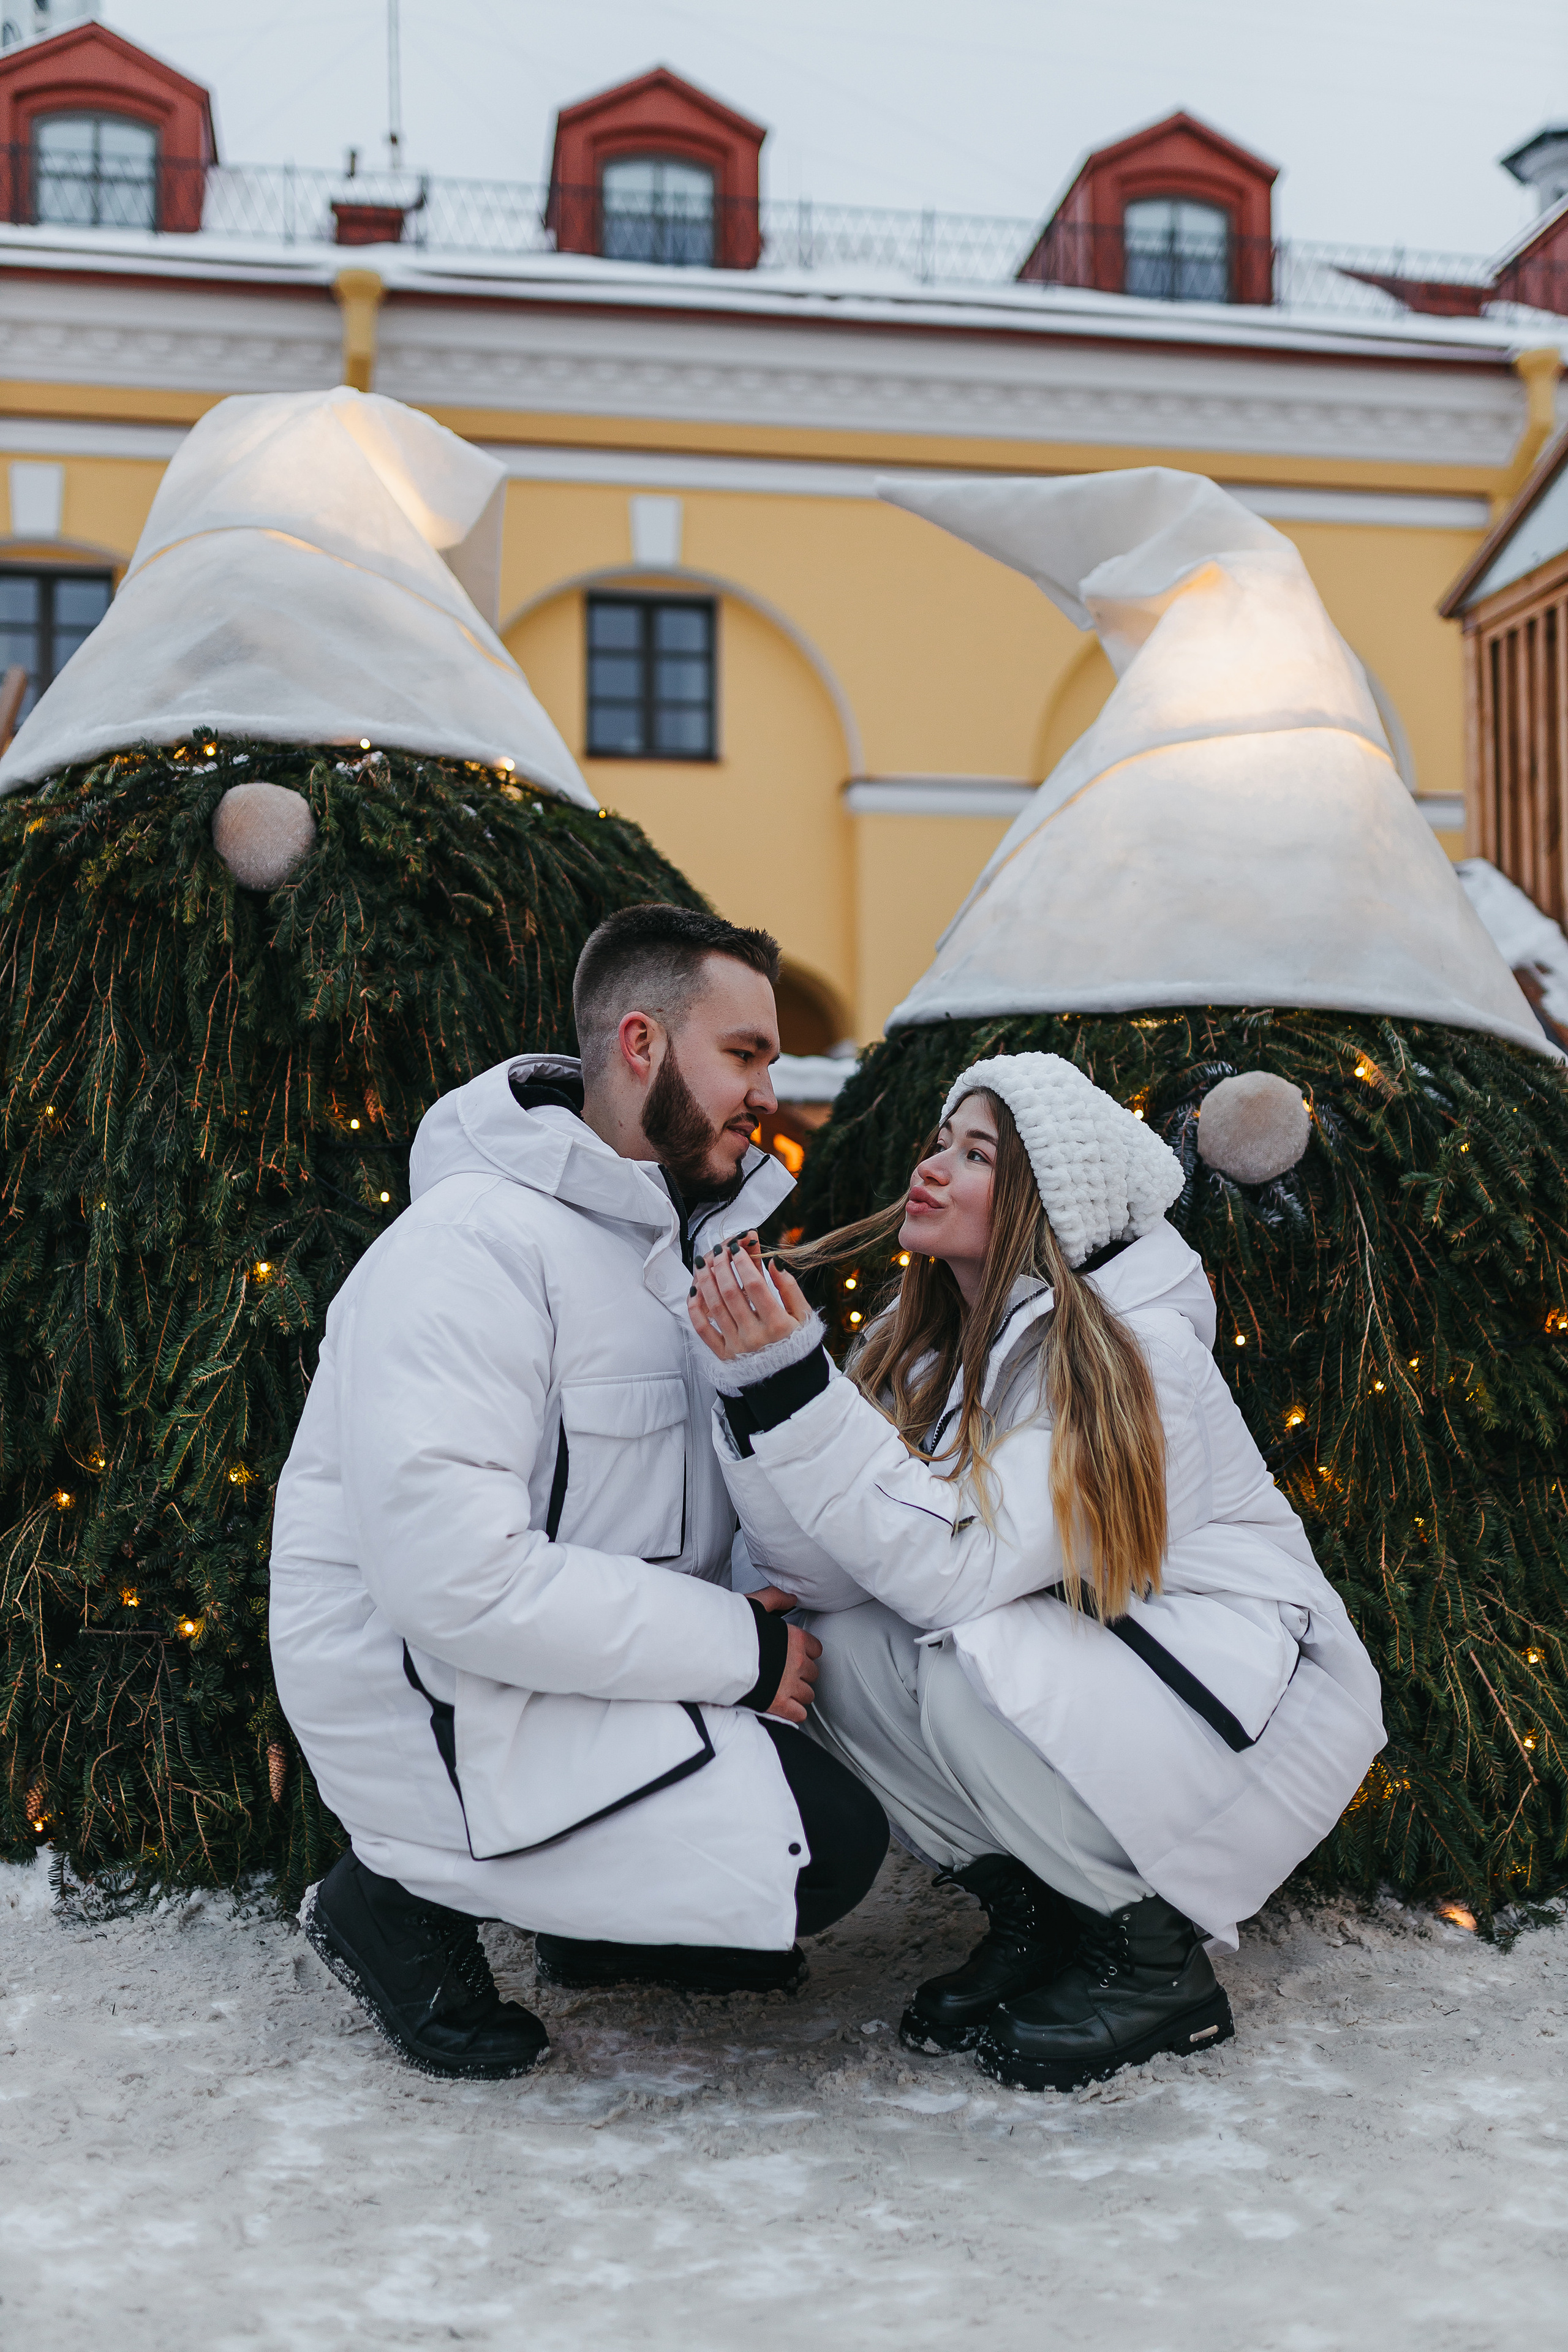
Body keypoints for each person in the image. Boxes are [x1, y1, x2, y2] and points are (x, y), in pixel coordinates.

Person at [688, 1050, 1386, 2094]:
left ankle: (1151, 1961)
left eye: (977, 1155)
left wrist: (800, 1391)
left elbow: (954, 1568)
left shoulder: (1132, 1357)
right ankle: (1044, 1916)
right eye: (939, 1144)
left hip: (1240, 1696)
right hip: (1108, 1668)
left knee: (973, 1664)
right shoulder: (929, 1348)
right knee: (835, 1649)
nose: (932, 1168)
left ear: (1040, 1199)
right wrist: (760, 1391)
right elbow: (824, 1575)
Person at [270, 906, 888, 2081]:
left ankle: (602, 1925)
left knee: (856, 1726)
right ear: (644, 1045)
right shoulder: (470, 1251)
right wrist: (736, 1653)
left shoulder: (672, 1246)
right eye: (746, 1054)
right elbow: (456, 1581)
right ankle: (390, 1899)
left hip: (574, 1671)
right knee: (827, 1845)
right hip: (438, 1706)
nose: (769, 1090)